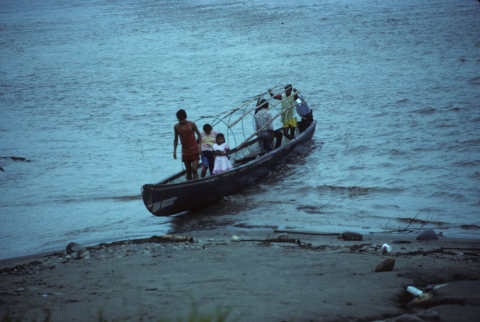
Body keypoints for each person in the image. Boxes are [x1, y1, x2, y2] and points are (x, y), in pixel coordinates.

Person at [173, 109, 202, 180]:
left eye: (183, 119)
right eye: (180, 119)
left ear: (185, 118)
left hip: (194, 150)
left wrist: (199, 147)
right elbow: (176, 139)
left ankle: (196, 184)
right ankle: (190, 185)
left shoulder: (191, 124)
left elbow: (199, 135)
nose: (181, 121)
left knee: (194, 169)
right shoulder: (176, 127)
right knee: (188, 171)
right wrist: (174, 151)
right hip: (185, 152)